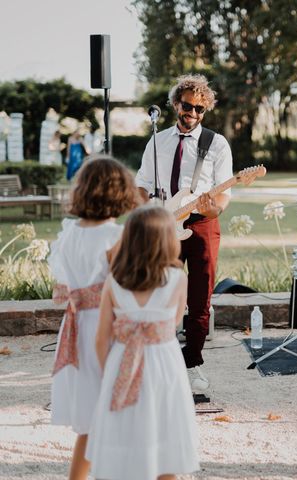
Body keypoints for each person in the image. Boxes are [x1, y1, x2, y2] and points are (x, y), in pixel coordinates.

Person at [136, 74, 233, 394]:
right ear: (176, 104)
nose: (192, 113)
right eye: (187, 106)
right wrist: (148, 210)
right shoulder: (157, 141)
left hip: (202, 225)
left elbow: (221, 201)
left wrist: (209, 207)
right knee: (162, 294)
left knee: (199, 298)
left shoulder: (216, 144)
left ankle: (193, 364)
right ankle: (162, 363)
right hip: (164, 227)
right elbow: (142, 185)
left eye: (200, 109)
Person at [86, 206, 199, 479]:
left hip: (122, 363)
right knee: (167, 439)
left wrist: (110, 373)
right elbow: (172, 324)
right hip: (164, 367)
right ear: (167, 241)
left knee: (125, 436)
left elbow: (101, 339)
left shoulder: (113, 283)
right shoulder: (178, 280)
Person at [49, 156, 139, 480]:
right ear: (119, 193)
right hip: (104, 332)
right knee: (114, 413)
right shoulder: (114, 237)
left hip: (74, 328)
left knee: (90, 422)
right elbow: (125, 289)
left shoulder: (69, 233)